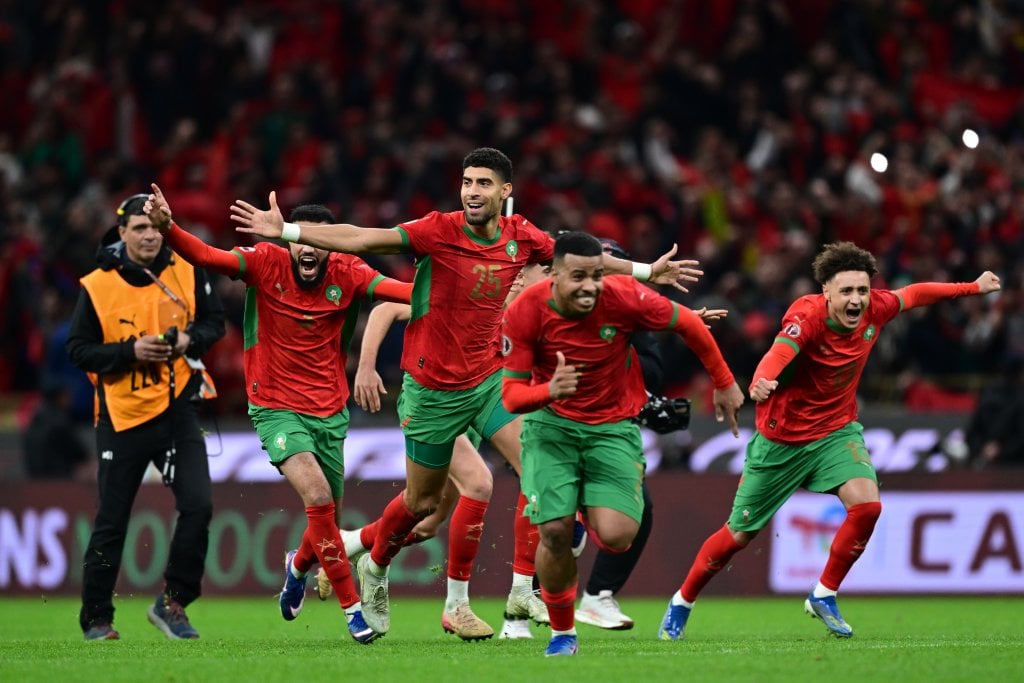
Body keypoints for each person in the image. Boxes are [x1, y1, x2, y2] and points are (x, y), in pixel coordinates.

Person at [230, 147, 701, 638]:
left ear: (505, 192)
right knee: (421, 505)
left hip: (486, 383)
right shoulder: (439, 230)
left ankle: (521, 589)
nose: (472, 192)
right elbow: (362, 238)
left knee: (532, 463)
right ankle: (374, 565)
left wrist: (646, 271)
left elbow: (582, 259)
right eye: (467, 182)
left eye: (483, 184)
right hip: (431, 390)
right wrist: (286, 232)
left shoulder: (523, 240)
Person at [658, 241, 1002, 641]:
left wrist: (972, 288)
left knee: (868, 506)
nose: (856, 300)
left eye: (862, 290)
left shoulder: (877, 307)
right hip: (782, 440)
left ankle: (824, 593)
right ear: (826, 293)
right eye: (847, 292)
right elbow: (778, 351)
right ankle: (682, 601)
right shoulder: (806, 316)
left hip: (837, 431)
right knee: (738, 535)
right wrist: (760, 380)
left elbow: (916, 294)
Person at [145, 184, 414, 644]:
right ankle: (353, 612)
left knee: (325, 513)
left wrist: (463, 286)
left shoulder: (349, 271)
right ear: (288, 239)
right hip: (273, 405)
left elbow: (401, 291)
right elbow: (209, 257)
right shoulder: (265, 262)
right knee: (315, 494)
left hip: (330, 410)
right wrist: (169, 229)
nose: (310, 248)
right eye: (301, 239)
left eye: (321, 241)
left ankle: (297, 566)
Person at [501, 231, 745, 656]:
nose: (590, 286)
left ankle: (579, 514)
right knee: (554, 533)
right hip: (550, 428)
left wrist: (724, 383)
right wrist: (549, 391)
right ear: (554, 276)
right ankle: (562, 635)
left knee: (617, 536)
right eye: (578, 276)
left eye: (596, 276)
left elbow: (688, 323)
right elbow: (512, 397)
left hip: (613, 428)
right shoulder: (525, 310)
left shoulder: (624, 295)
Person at [67, 192, 226, 641]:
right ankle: (97, 618)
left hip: (178, 410)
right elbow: (76, 350)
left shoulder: (187, 270)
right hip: (121, 417)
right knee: (112, 521)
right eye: (140, 227)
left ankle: (173, 603)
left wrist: (187, 342)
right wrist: (129, 352)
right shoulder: (97, 286)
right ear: (122, 233)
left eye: (156, 226)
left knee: (199, 506)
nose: (150, 235)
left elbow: (216, 325)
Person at [575, 238, 717, 631]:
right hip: (557, 424)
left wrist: (651, 326)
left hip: (609, 428)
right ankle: (532, 594)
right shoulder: (563, 309)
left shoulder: (634, 318)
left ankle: (588, 595)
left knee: (637, 510)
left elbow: (653, 376)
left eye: (616, 271)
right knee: (552, 516)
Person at [964, 355, 1024, 468]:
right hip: (1014, 465)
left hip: (988, 460)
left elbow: (972, 433)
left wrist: (984, 449)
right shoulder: (1019, 398)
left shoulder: (987, 394)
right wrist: (1000, 450)